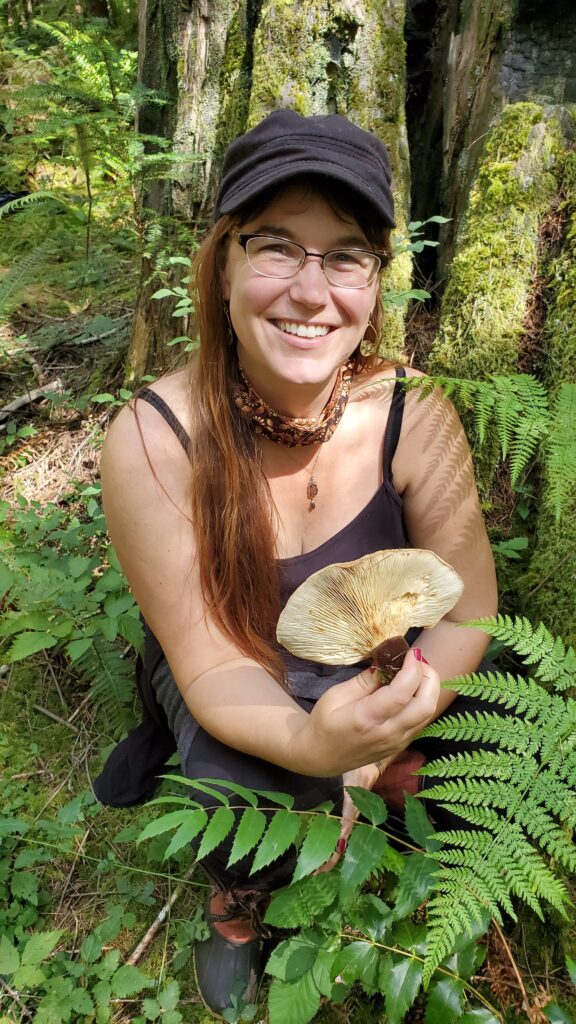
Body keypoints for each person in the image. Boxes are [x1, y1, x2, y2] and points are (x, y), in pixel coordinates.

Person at [96, 109, 497, 1017]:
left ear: (375, 281)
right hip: (244, 670)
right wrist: (319, 751)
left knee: (510, 724)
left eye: (345, 255)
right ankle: (239, 911)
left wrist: (376, 742)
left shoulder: (413, 412)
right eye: (276, 246)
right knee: (241, 788)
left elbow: (470, 604)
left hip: (388, 662)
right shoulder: (155, 439)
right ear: (223, 265)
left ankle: (389, 808)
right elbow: (209, 663)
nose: (311, 293)